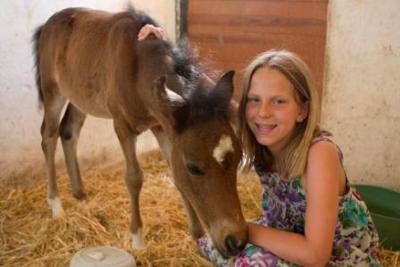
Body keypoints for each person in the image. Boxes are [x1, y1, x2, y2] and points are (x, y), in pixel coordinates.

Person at [138, 25, 381, 266]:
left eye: (278, 101)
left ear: (302, 110)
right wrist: (168, 46)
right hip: (290, 241)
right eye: (254, 100)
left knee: (249, 260)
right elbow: (213, 98)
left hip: (337, 260)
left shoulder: (320, 154)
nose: (263, 112)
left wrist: (244, 228)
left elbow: (316, 256)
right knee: (212, 243)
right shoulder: (260, 130)